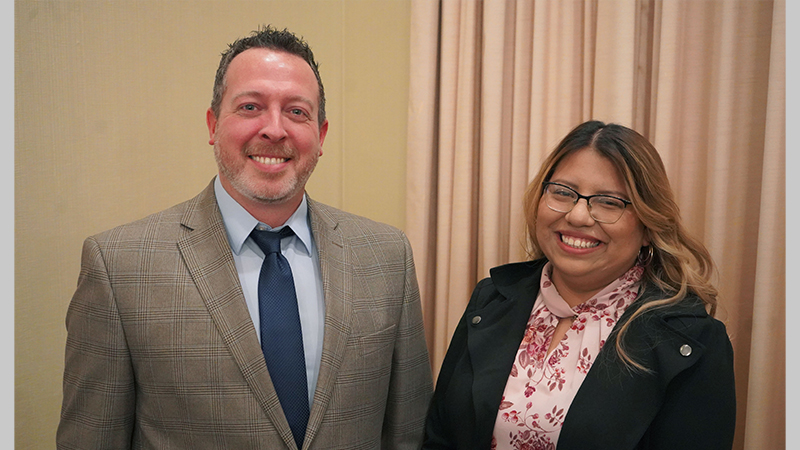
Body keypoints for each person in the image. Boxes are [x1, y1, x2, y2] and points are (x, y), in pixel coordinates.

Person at [57, 25, 433, 450]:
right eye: (251, 106)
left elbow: (408, 434)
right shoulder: (119, 267)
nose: (275, 129)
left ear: (321, 135)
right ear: (213, 124)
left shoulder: (387, 257)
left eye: (296, 111)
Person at [422, 120, 736, 450]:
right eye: (562, 192)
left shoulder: (692, 341)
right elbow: (440, 437)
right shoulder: (491, 299)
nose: (578, 216)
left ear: (648, 226)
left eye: (610, 202)